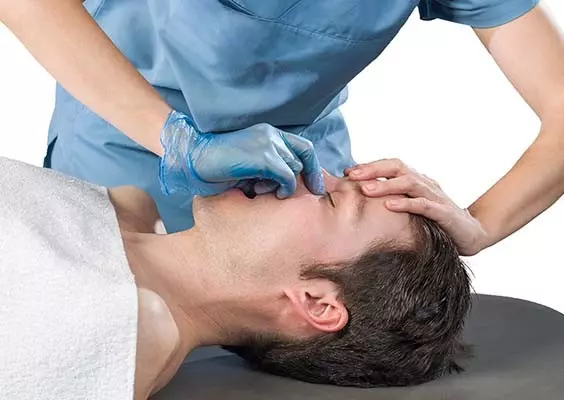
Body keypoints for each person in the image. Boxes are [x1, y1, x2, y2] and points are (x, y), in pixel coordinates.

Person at [2, 1, 563, 256]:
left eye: (351, 199)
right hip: (123, 132)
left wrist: (480, 227)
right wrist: (175, 140)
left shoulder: (320, 218)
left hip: (303, 173)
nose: (360, 190)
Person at [0, 156, 471, 399]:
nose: (306, 172)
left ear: (316, 303)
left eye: (331, 199)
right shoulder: (128, 206)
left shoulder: (137, 329)